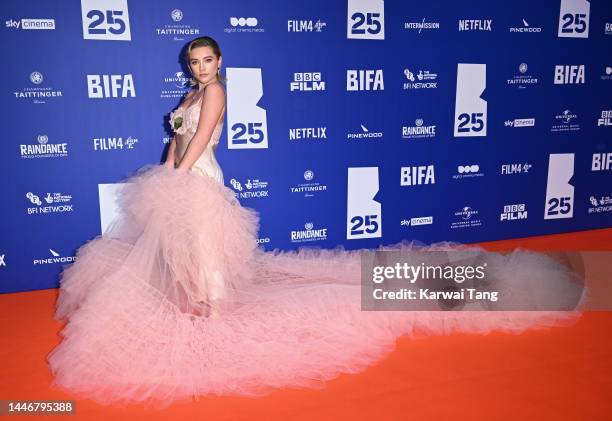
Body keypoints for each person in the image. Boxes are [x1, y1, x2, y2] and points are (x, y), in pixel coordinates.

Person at [47, 36, 585, 407]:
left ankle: (212, 315)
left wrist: (178, 178)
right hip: (180, 175)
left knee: (205, 246)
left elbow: (202, 137)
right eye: (195, 63)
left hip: (201, 179)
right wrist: (164, 172)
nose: (202, 69)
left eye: (208, 61)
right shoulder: (188, 93)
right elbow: (177, 138)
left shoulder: (215, 93)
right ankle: (203, 302)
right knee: (183, 248)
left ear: (220, 62)